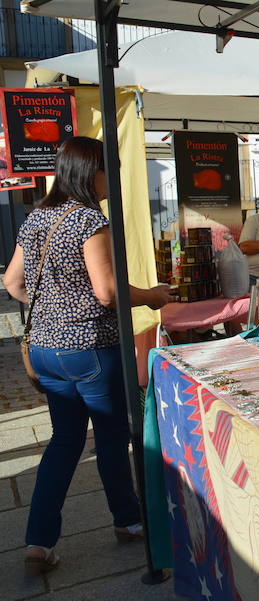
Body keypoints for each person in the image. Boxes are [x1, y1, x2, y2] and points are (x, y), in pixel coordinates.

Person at [2, 136, 173, 575]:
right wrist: (152, 296)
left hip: (45, 350)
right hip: (91, 350)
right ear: (89, 172)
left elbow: (13, 284)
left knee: (65, 439)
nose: (111, 178)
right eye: (108, 169)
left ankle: (38, 541)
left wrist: (53, 310)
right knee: (112, 436)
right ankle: (129, 520)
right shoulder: (88, 220)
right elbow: (107, 291)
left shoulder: (38, 217)